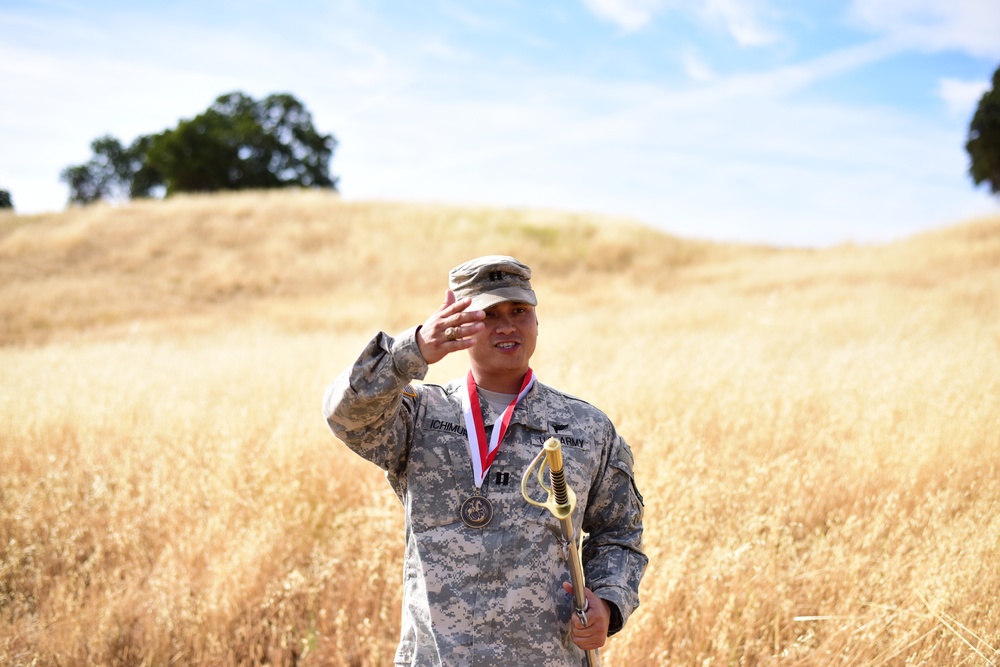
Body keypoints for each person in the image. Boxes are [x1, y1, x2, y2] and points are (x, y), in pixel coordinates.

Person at [323, 255, 647, 666]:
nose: (507, 326)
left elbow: (619, 534)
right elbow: (344, 414)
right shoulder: (420, 415)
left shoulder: (585, 428)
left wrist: (609, 603)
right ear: (458, 323)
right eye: (489, 314)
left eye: (519, 311)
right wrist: (413, 349)